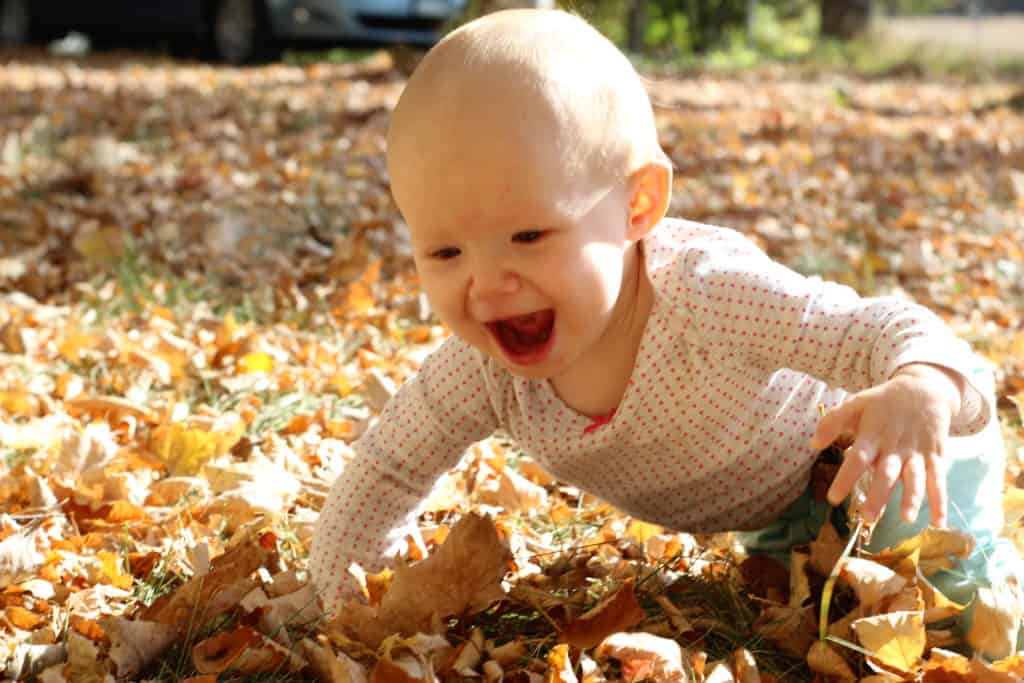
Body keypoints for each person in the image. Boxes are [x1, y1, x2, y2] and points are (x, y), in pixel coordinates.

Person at [310, 8, 1018, 626]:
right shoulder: (483, 370)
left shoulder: (709, 297)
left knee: (940, 612)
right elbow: (387, 468)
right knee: (811, 605)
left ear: (637, 206)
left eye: (529, 236)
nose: (488, 283)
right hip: (774, 516)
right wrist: (338, 603)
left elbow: (880, 330)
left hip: (889, 449)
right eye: (445, 250)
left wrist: (924, 384)